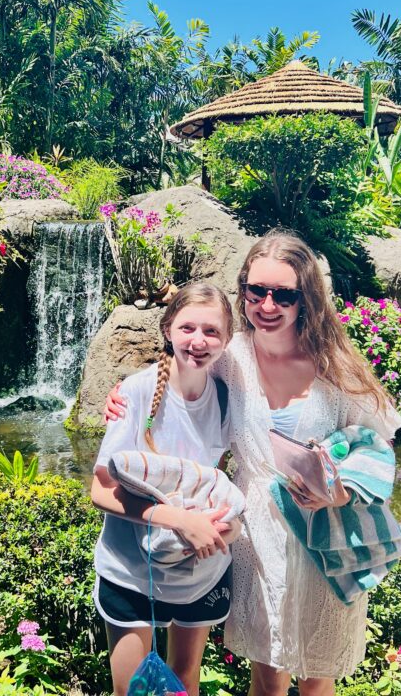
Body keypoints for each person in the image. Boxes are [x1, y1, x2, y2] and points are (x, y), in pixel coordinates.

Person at [105, 231, 401, 696]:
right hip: (258, 538)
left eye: (284, 294)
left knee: (317, 676)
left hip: (322, 532)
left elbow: (378, 446)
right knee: (266, 674)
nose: (268, 304)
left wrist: (340, 489)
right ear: (243, 289)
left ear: (306, 298)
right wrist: (125, 396)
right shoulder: (234, 357)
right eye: (257, 291)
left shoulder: (335, 365)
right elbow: (183, 364)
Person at [90, 282, 241, 696]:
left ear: (227, 340)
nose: (198, 341)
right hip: (132, 572)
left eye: (212, 331)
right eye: (187, 327)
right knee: (134, 691)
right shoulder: (135, 393)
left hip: (200, 571)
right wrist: (175, 519)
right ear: (168, 328)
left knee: (184, 682)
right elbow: (100, 490)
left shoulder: (226, 398)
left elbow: (218, 480)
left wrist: (226, 527)